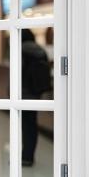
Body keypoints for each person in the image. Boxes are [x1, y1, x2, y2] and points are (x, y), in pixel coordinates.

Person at [21, 29, 52, 167]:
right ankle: (29, 155)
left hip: (22, 93)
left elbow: (16, 72)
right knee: (32, 124)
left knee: (24, 125)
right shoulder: (41, 50)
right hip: (35, 92)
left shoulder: (20, 49)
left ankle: (24, 156)